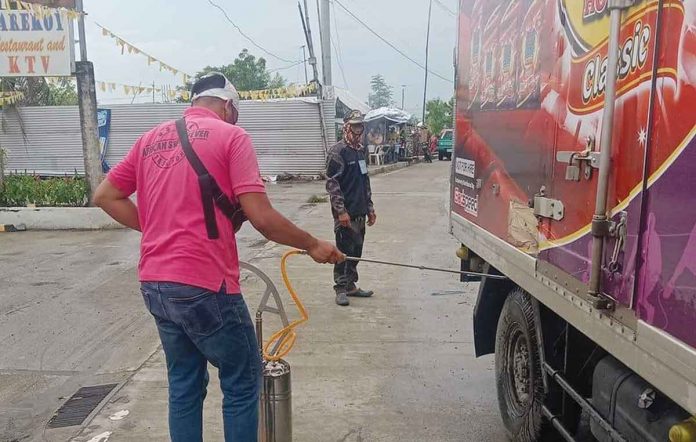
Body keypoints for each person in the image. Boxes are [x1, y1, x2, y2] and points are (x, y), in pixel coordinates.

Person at [93, 72, 344, 442]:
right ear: (228, 106)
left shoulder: (149, 140)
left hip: (156, 284)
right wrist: (311, 244)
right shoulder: (232, 137)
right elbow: (262, 218)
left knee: (184, 384)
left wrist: (159, 229)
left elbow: (105, 196)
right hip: (206, 285)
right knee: (243, 380)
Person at [326, 110, 377, 306]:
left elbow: (365, 181)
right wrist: (341, 211)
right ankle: (340, 288)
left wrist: (370, 208)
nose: (358, 130)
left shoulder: (360, 150)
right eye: (354, 126)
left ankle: (351, 285)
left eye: (360, 126)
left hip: (360, 210)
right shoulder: (337, 152)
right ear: (346, 127)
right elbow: (332, 184)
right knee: (342, 251)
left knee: (356, 250)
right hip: (345, 213)